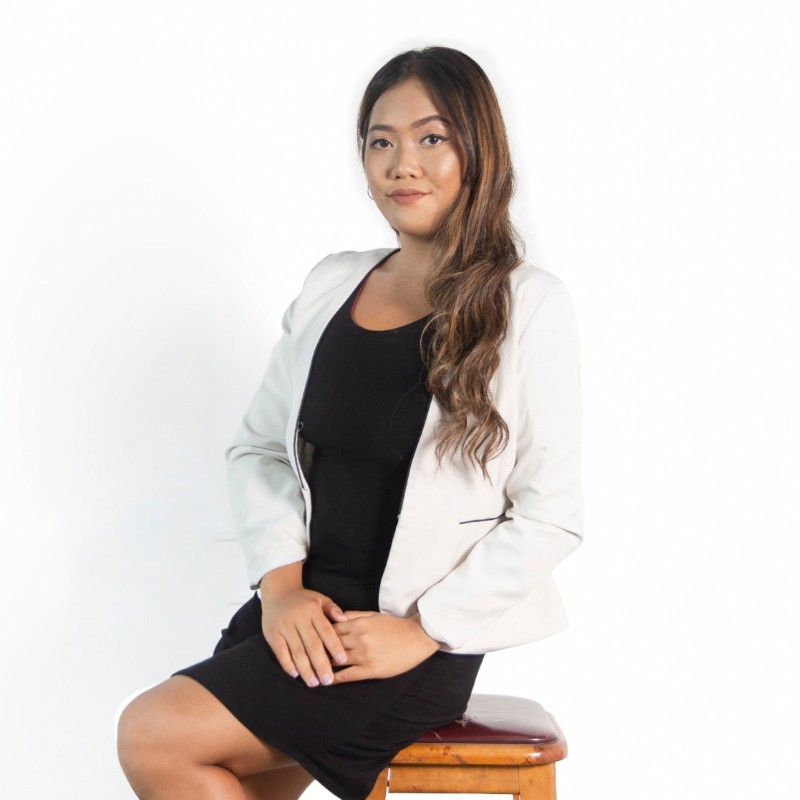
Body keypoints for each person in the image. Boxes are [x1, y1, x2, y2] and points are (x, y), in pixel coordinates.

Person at [116, 45, 583, 800]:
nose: (403, 164)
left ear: (479, 151)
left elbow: (550, 515)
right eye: (381, 141)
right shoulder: (333, 283)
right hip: (299, 609)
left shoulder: (528, 305)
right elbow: (260, 448)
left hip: (406, 644)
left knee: (153, 733)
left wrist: (421, 631)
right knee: (203, 767)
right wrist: (281, 588)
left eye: (432, 137)